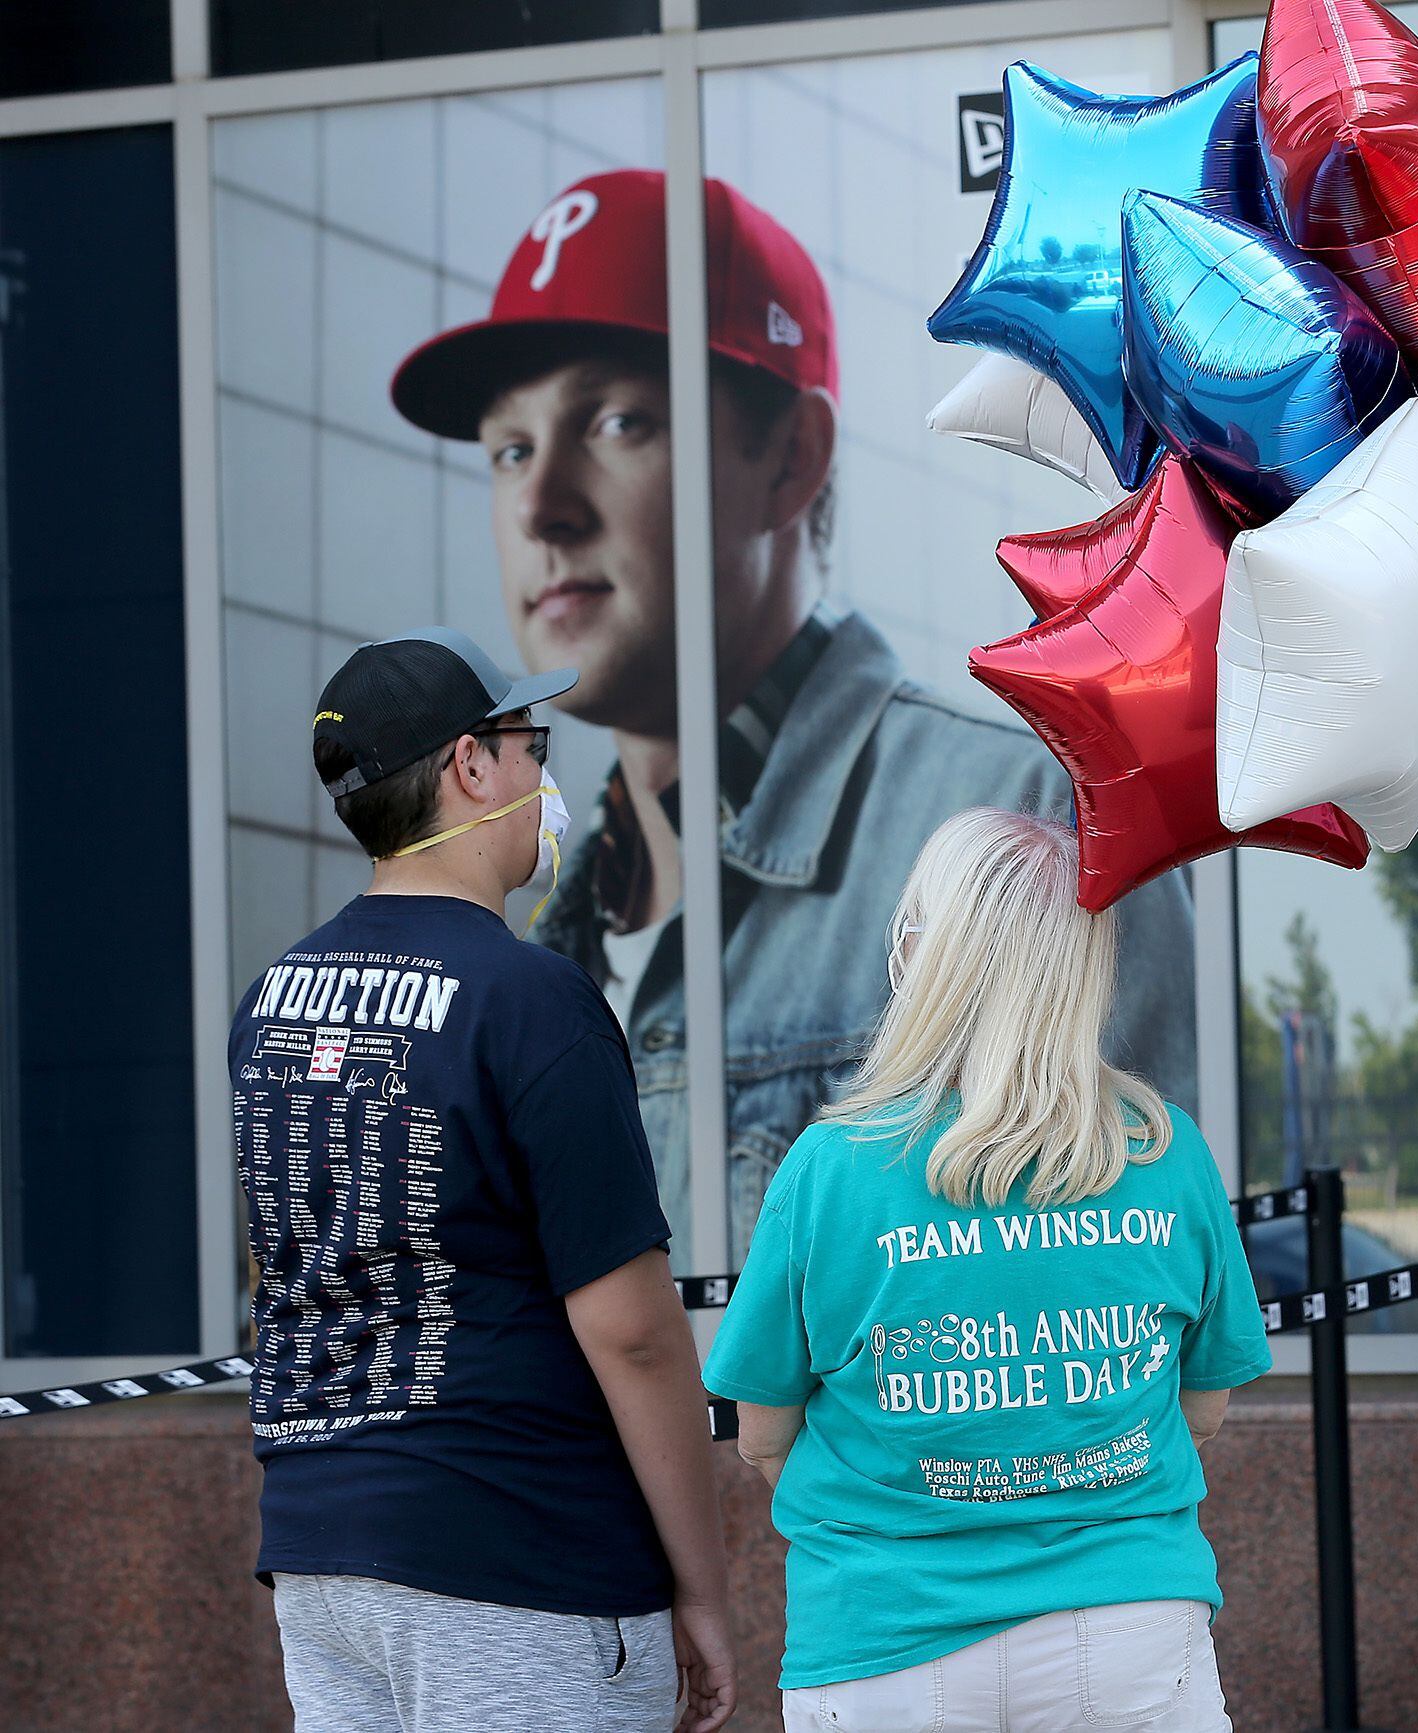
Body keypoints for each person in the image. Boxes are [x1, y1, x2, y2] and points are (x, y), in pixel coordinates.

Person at [387, 168, 1197, 1258]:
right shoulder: (551, 918)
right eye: (511, 450)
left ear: (792, 458)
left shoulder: (1025, 816)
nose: (540, 507)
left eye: (618, 420)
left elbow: (1116, 1309)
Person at [233, 631, 734, 1731]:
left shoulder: (271, 1002)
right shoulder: (527, 996)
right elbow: (636, 1331)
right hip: (515, 1554)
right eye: (528, 744)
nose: (541, 778)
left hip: (321, 1553)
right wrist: (700, 1581)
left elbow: (290, 1264)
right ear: (470, 764)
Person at [702, 808, 1270, 1731]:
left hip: (885, 1638)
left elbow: (763, 1433)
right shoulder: (1166, 1151)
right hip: (1128, 1632)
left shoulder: (832, 1166)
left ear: (930, 953)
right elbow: (1202, 1406)